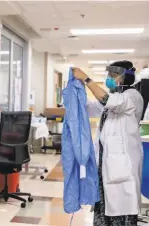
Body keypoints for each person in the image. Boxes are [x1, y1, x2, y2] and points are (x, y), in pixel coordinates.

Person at [72, 60, 143, 226]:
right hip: (107, 161)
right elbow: (91, 107)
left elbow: (107, 100)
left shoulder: (132, 97)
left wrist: (87, 80)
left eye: (114, 75)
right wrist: (76, 91)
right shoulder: (116, 96)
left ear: (127, 77)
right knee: (104, 206)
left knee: (122, 209)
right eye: (109, 74)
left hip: (123, 164)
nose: (110, 78)